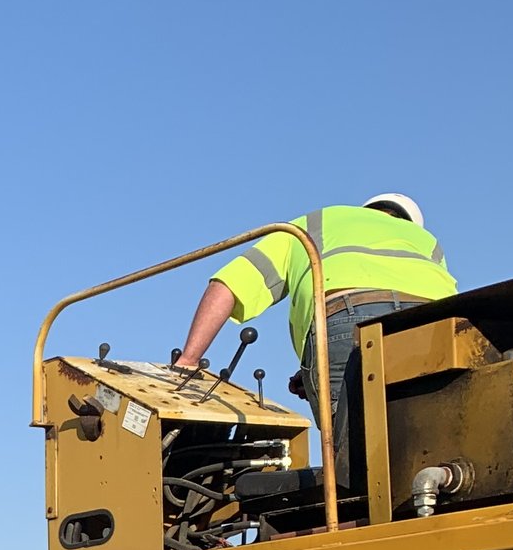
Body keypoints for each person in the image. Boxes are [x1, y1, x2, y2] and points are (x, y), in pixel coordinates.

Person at [169, 195, 456, 498]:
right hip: (433, 326)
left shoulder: (313, 225)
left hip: (347, 319)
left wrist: (188, 360)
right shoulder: (426, 242)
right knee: (424, 443)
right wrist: (308, 370)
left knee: (355, 468)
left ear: (367, 210)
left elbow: (227, 286)